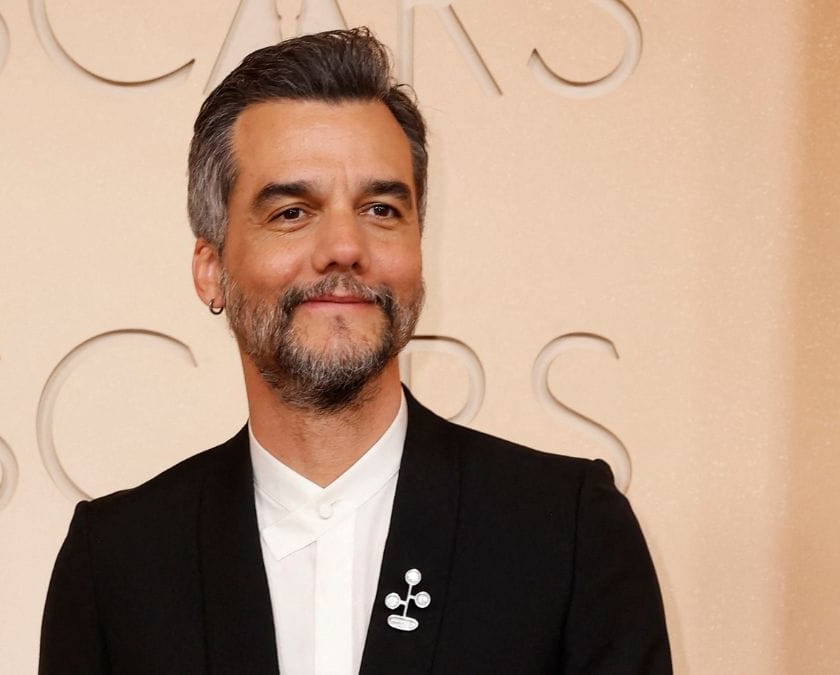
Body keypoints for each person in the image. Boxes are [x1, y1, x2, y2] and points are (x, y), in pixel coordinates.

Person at [39, 27, 671, 675]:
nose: (345, 245)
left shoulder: (567, 531)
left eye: (379, 209)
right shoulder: (117, 561)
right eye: (291, 211)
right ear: (211, 268)